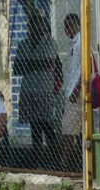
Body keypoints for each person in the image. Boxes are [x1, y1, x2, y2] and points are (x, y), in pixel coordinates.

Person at [13, 13, 62, 166]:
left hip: (44, 90)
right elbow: (16, 69)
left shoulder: (50, 42)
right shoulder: (23, 44)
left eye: (37, 25)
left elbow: (49, 62)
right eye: (31, 26)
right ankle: (37, 158)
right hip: (28, 90)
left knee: (46, 124)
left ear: (43, 27)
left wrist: (29, 64)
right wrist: (37, 64)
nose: (33, 28)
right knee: (34, 125)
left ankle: (55, 157)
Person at [61, 13, 83, 172]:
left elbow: (85, 69)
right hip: (74, 92)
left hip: (77, 94)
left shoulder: (81, 42)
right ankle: (78, 162)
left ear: (77, 25)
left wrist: (76, 89)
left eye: (70, 25)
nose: (67, 29)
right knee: (77, 129)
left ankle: (64, 163)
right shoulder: (75, 42)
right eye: (65, 26)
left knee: (68, 130)